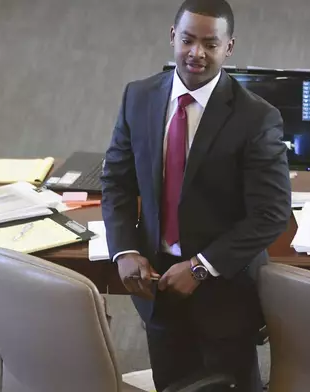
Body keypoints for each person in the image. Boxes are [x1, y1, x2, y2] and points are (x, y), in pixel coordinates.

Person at [100, 0, 292, 390]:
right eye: (188, 40)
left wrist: (201, 266)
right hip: (158, 289)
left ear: (229, 47)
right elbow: (117, 182)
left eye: (210, 44)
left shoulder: (256, 117)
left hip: (225, 295)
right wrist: (124, 249)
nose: (197, 53)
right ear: (173, 37)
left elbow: (271, 213)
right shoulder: (137, 97)